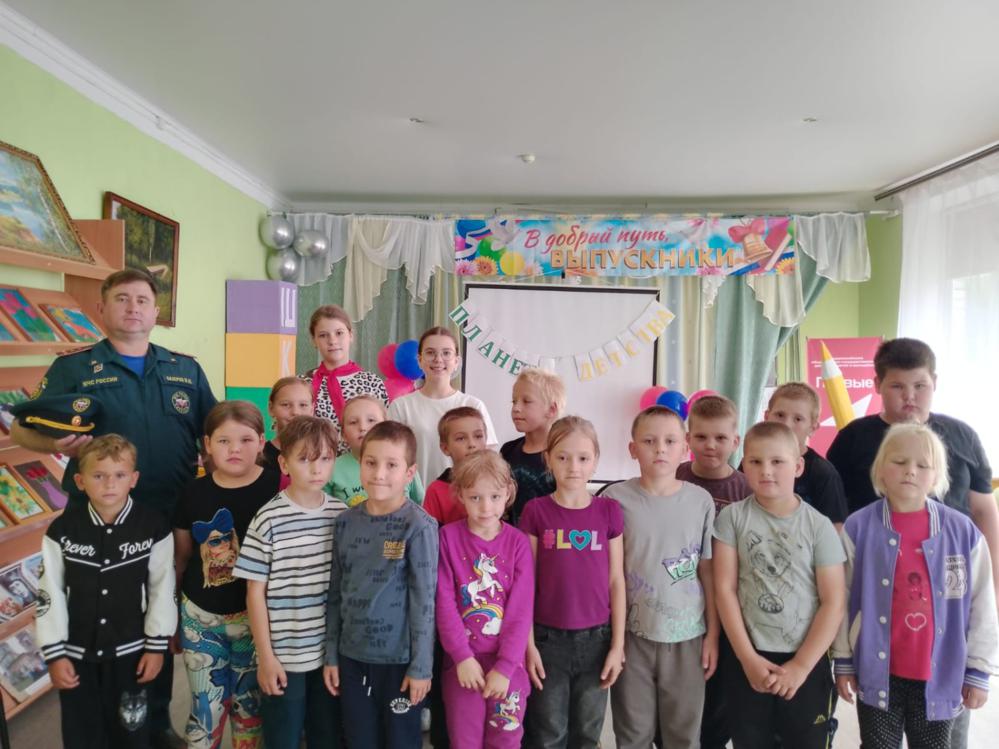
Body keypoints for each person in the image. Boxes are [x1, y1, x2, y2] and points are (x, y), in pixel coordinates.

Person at [12, 267, 215, 749]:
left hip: (171, 517)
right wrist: (51, 442)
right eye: (122, 299)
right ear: (102, 309)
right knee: (101, 615)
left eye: (142, 299)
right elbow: (21, 428)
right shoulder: (74, 368)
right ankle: (95, 723)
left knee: (160, 615)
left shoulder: (185, 369)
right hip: (97, 520)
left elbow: (213, 431)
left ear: (156, 311)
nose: (133, 307)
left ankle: (155, 722)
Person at [826, 338, 998, 749]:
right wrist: (843, 657)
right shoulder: (853, 441)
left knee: (946, 739)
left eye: (919, 386)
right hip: (879, 647)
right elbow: (835, 535)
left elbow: (985, 514)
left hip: (946, 632)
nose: (909, 396)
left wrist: (995, 587)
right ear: (878, 385)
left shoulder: (962, 439)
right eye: (898, 386)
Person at [35, 434, 177, 749]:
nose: (109, 484)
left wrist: (156, 647)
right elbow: (49, 593)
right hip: (77, 656)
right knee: (82, 736)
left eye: (119, 475)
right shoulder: (62, 530)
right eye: (98, 476)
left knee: (131, 734)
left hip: (132, 655)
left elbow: (162, 588)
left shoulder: (153, 526)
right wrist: (54, 653)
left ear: (134, 479)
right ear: (80, 481)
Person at [713, 422, 846, 749]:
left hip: (807, 660)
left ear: (798, 466)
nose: (766, 470)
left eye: (777, 461)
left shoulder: (819, 526)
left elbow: (833, 601)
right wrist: (747, 658)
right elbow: (724, 590)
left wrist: (801, 666)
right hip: (748, 657)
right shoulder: (731, 519)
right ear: (743, 465)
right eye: (755, 461)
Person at [323, 421, 439, 749]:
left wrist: (421, 667)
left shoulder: (419, 526)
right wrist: (331, 655)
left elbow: (425, 601)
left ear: (409, 472)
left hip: (400, 663)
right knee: (359, 740)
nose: (379, 474)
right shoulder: (345, 522)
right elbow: (335, 593)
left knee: (401, 741)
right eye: (371, 463)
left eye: (391, 465)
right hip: (352, 657)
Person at [608, 405, 718, 749]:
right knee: (632, 733)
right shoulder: (613, 499)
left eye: (670, 441)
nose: (660, 449)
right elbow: (608, 574)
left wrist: (713, 635)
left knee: (683, 734)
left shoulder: (700, 501)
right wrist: (614, 641)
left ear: (685, 447)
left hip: (688, 637)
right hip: (631, 635)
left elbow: (707, 571)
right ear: (633, 449)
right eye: (649, 441)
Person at [233, 416, 346, 749]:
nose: (316, 469)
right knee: (283, 737)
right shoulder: (268, 518)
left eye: (325, 458)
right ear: (284, 464)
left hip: (329, 656)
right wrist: (266, 657)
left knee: (326, 736)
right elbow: (254, 593)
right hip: (284, 657)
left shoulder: (341, 515)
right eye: (305, 459)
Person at [173, 401, 281, 749]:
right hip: (200, 618)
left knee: (249, 712)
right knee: (206, 711)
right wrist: (173, 617)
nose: (235, 449)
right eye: (223, 441)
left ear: (262, 442)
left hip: (256, 622)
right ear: (207, 444)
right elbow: (182, 558)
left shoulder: (277, 487)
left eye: (246, 440)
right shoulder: (193, 492)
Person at [518, 416, 625, 748]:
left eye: (582, 458)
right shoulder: (535, 511)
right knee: (548, 732)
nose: (573, 467)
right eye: (562, 457)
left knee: (587, 733)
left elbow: (616, 580)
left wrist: (617, 645)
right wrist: (528, 644)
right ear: (548, 459)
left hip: (597, 639)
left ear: (595, 460)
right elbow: (525, 584)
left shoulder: (609, 511)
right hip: (548, 639)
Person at [436, 450, 535, 748]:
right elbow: (444, 603)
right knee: (464, 741)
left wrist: (506, 667)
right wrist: (462, 657)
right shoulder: (447, 538)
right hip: (463, 665)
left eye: (494, 496)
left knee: (505, 740)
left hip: (509, 667)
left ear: (508, 493)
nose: (486, 507)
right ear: (460, 495)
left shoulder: (517, 543)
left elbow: (520, 611)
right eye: (475, 497)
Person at [676, 393, 748, 749]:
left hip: (728, 605)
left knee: (718, 700)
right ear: (688, 439)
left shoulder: (746, 489)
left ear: (735, 441)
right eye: (701, 436)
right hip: (679, 606)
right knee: (678, 698)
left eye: (720, 438)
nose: (710, 445)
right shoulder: (674, 476)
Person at [388, 326, 497, 484]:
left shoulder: (473, 405)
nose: (438, 359)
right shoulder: (401, 406)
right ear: (419, 360)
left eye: (446, 353)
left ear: (456, 361)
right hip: (415, 496)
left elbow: (488, 458)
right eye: (430, 353)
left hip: (464, 494)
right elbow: (390, 457)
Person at [301, 304, 388, 453]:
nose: (332, 341)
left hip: (363, 462)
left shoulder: (372, 383)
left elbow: (384, 432)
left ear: (351, 335)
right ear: (314, 340)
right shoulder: (304, 384)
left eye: (339, 333)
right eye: (323, 335)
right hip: (315, 462)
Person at [763, 382, 848, 528]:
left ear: (813, 428)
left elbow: (836, 528)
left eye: (798, 419)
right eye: (780, 415)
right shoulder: (753, 461)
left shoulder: (823, 473)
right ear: (766, 417)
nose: (786, 425)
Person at [326, 395, 424, 507]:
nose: (363, 427)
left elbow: (419, 503)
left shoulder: (404, 462)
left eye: (371, 420)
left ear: (387, 426)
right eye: (353, 422)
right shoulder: (332, 468)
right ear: (343, 434)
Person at [501, 368, 564, 527]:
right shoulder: (508, 451)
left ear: (551, 410)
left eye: (526, 401)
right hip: (513, 539)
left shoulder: (564, 455)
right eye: (514, 401)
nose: (516, 408)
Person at [422, 406, 489, 526]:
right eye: (461, 438)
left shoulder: (499, 482)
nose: (472, 444)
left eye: (478, 436)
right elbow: (430, 534)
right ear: (445, 448)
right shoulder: (436, 490)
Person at [262, 376, 314, 483]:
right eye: (285, 405)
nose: (295, 412)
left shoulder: (322, 453)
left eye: (303, 405)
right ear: (271, 408)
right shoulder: (260, 456)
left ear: (312, 409)